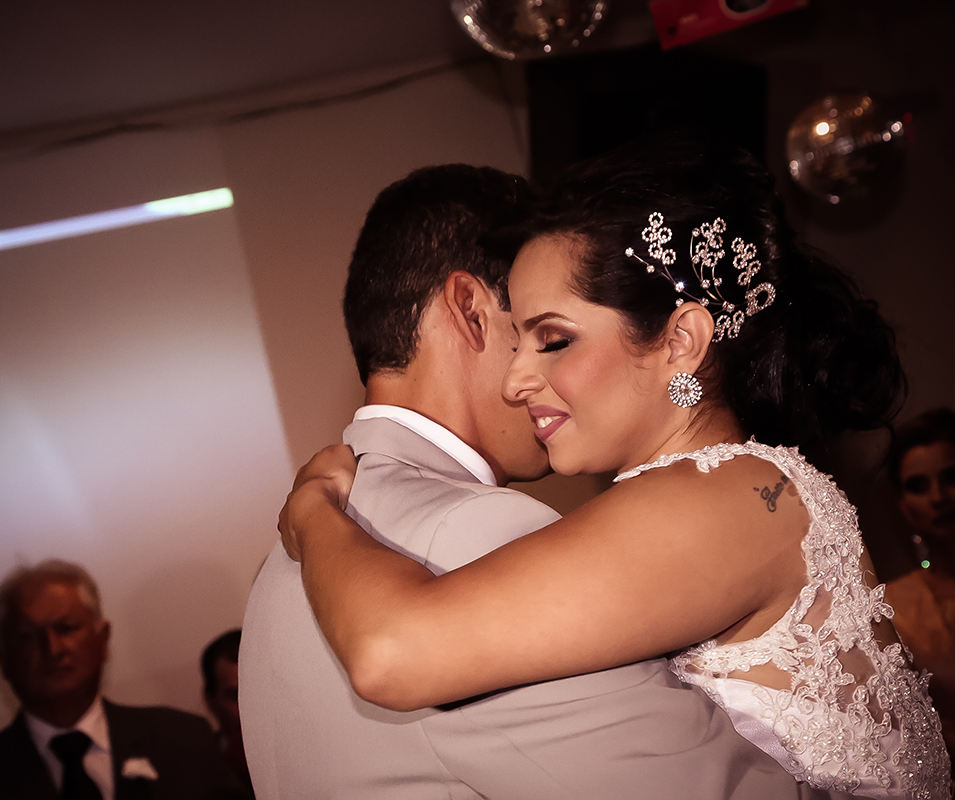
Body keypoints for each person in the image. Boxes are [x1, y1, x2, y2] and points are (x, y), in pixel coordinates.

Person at [279, 136, 951, 799]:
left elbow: (390, 653)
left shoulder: (723, 496)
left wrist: (314, 510)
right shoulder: (748, 487)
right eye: (518, 341)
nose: (515, 380)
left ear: (680, 341)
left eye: (552, 340)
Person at [0, 559, 245, 800]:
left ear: (102, 639)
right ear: (1, 656)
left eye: (66, 628)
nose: (52, 649)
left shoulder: (183, 741)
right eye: (27, 636)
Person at [885, 408, 955, 763]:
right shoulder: (892, 606)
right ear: (902, 504)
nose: (939, 497)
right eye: (918, 485)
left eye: (951, 477)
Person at [200, 630, 253, 797]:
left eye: (261, 694)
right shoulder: (196, 765)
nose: (250, 710)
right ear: (211, 700)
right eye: (236, 696)